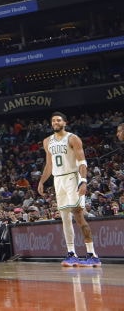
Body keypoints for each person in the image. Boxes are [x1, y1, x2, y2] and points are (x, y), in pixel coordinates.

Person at [38, 111, 99, 267]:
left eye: (58, 120)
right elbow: (49, 165)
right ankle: (72, 253)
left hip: (73, 178)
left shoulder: (72, 138)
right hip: (58, 180)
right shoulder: (47, 141)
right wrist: (41, 181)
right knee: (64, 218)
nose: (55, 123)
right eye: (53, 121)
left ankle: (92, 254)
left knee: (78, 215)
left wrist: (83, 181)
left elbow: (82, 162)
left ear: (65, 122)